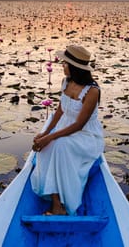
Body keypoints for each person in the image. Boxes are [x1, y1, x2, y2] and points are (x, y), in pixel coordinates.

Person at [31, 45, 104, 216]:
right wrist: (46, 133)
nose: (62, 66)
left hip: (86, 135)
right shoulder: (66, 82)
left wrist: (51, 138)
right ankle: (54, 195)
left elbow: (79, 124)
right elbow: (60, 110)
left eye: (65, 64)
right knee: (47, 148)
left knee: (59, 145)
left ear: (75, 67)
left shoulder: (92, 91)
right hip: (65, 127)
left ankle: (59, 205)